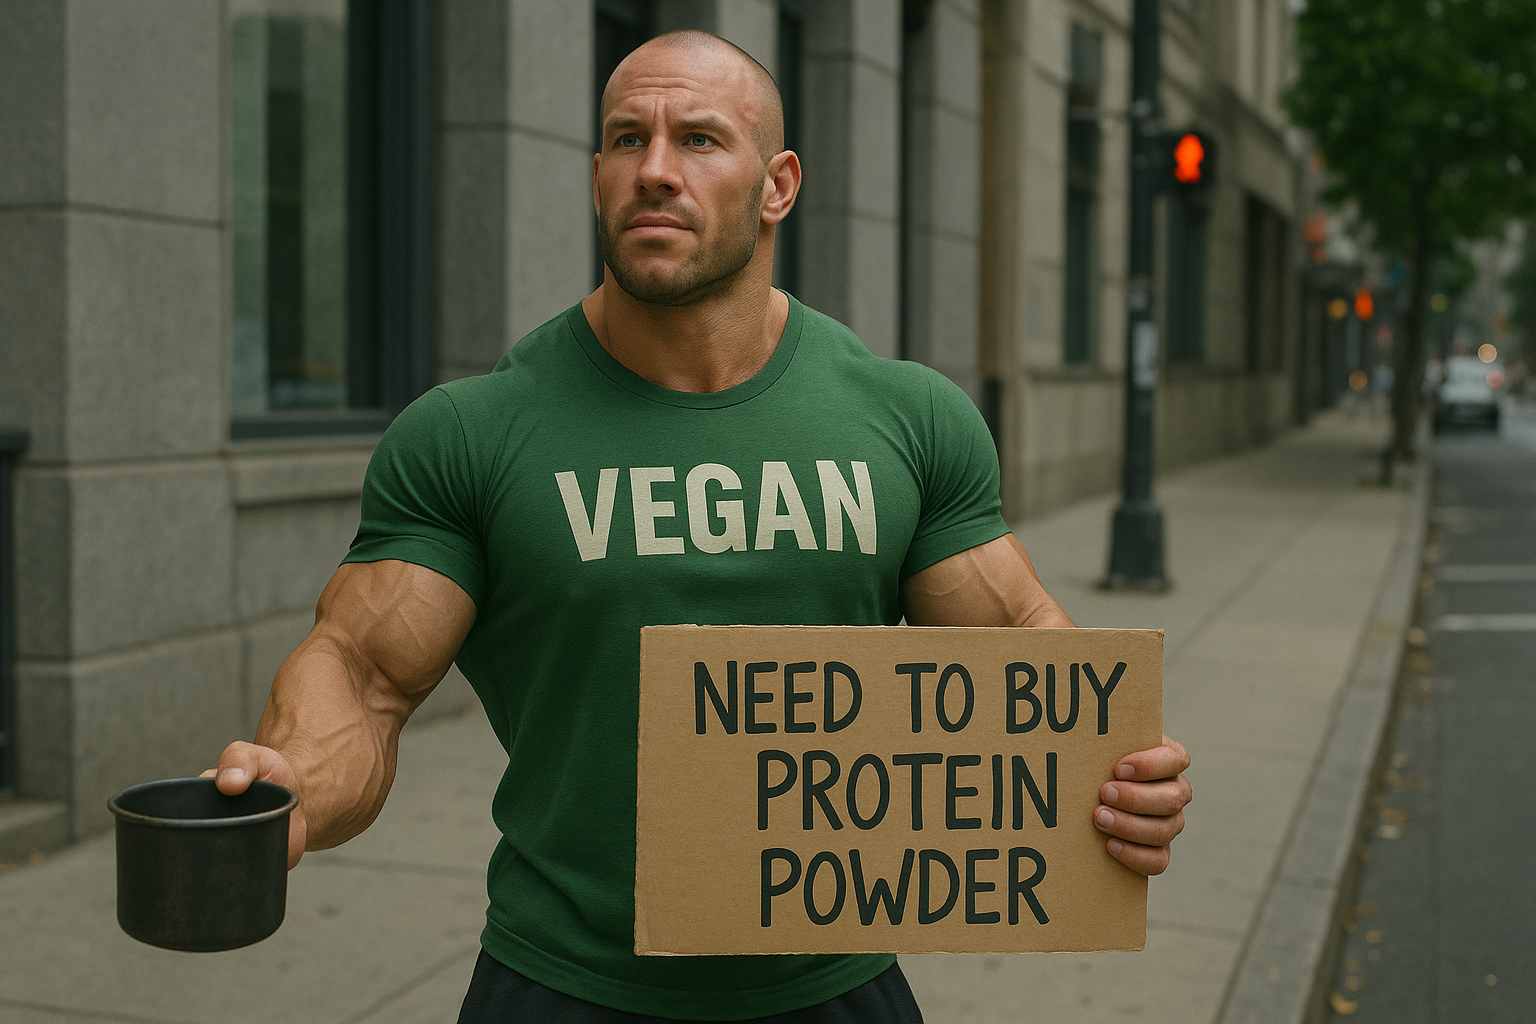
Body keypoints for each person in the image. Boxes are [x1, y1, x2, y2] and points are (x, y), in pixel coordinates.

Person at [209, 30, 1192, 1023]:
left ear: (778, 185)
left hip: (831, 984)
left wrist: (1115, 781)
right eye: (627, 138)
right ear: (597, 173)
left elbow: (1031, 660)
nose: (656, 171)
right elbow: (363, 675)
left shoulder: (907, 419)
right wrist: (291, 786)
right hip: (563, 985)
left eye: (701, 139)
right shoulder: (474, 433)